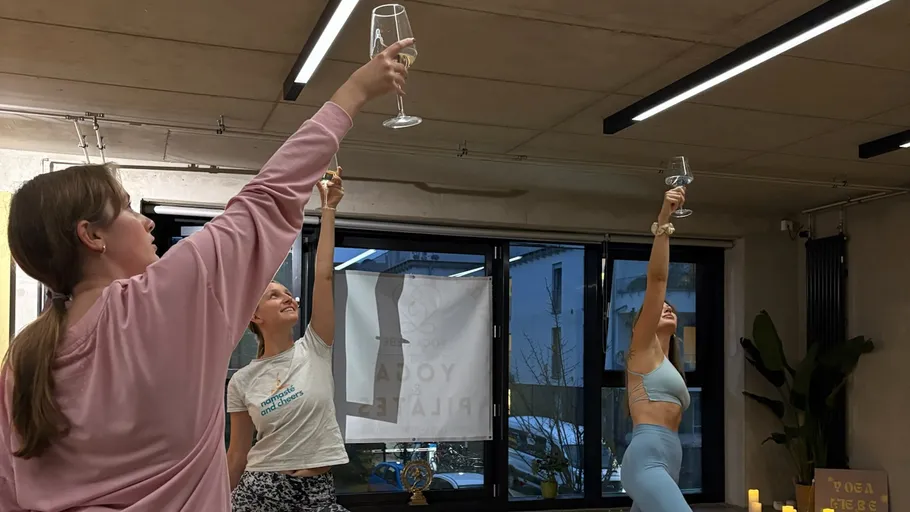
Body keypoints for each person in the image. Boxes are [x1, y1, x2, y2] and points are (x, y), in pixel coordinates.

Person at [0, 39, 414, 512]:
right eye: (129, 209)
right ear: (92, 236)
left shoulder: (22, 362)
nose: (147, 222)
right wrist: (355, 90)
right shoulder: (167, 298)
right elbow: (268, 196)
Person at [226, 170, 348, 512]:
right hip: (260, 493)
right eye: (273, 295)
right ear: (254, 315)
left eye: (288, 293)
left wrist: (328, 209)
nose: (288, 297)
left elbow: (323, 276)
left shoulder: (316, 348)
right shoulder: (242, 381)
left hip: (319, 493)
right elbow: (236, 454)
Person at [621, 187, 692, 512]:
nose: (667, 308)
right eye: (659, 308)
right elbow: (658, 279)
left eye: (671, 308)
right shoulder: (642, 351)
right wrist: (664, 219)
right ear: (640, 325)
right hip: (646, 460)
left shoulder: (670, 365)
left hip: (669, 460)